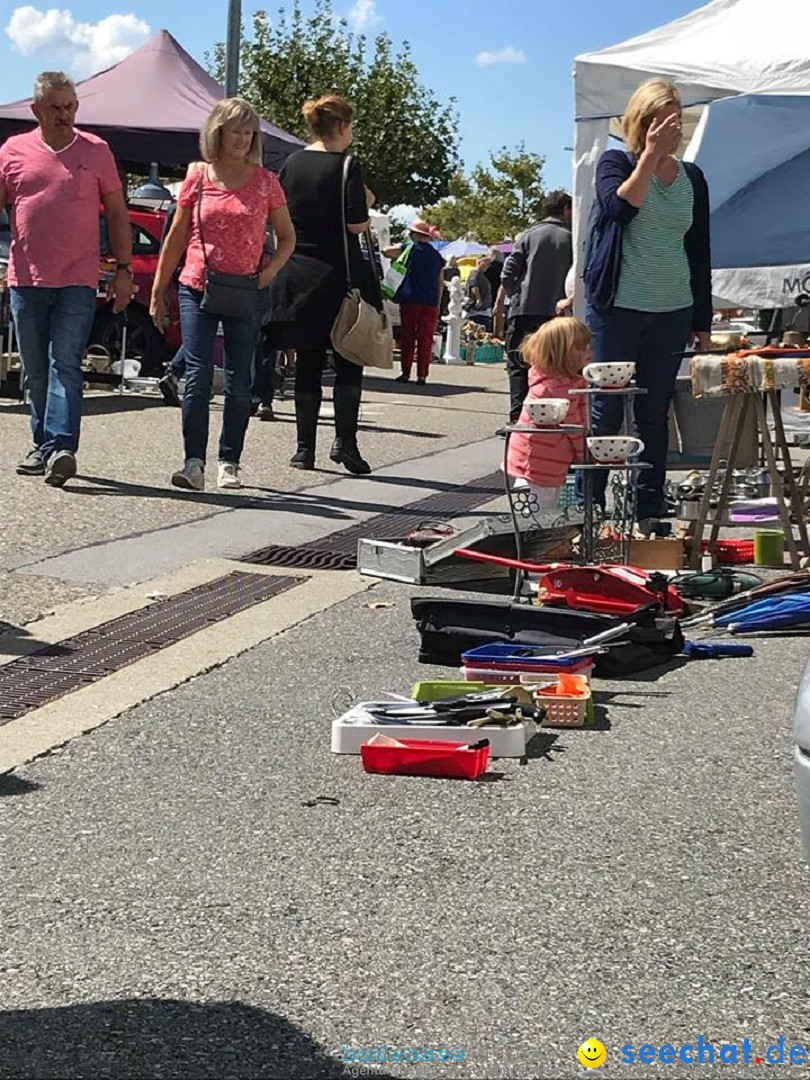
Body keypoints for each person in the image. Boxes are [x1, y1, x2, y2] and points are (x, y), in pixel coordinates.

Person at [584, 78, 712, 526]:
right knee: (606, 407)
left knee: (654, 412)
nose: (670, 126)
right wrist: (651, 157)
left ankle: (647, 505)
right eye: (660, 118)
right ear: (641, 122)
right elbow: (621, 210)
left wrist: (702, 319)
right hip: (618, 306)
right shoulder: (614, 162)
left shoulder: (693, 177)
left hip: (672, 307)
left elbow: (698, 248)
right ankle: (588, 504)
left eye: (675, 117)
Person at [150, 98, 294, 491]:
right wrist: (159, 288)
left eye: (249, 132)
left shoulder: (266, 181)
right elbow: (176, 236)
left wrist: (269, 273)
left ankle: (229, 459)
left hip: (247, 289)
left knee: (239, 380)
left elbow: (287, 238)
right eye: (236, 131)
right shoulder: (198, 178)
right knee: (196, 374)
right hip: (197, 284)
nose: (244, 140)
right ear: (218, 133)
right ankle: (193, 462)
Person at [0, 71, 133, 487]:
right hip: (26, 278)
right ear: (36, 110)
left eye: (70, 106)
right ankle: (42, 445)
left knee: (65, 363)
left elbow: (116, 212)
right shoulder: (12, 151)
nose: (64, 115)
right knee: (35, 370)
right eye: (55, 107)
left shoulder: (96, 151)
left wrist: (124, 269)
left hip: (78, 276)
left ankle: (61, 446)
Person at [265, 94, 378, 474]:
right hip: (338, 274)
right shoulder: (346, 165)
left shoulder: (291, 164)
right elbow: (357, 225)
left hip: (296, 275)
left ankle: (304, 449)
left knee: (309, 361)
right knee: (349, 358)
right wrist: (367, 200)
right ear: (343, 127)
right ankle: (345, 442)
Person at [501, 191, 572, 424]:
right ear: (565, 210)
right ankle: (547, 418)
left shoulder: (528, 235)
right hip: (558, 314)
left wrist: (516, 295)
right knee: (554, 366)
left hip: (524, 310)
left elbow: (508, 273)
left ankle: (517, 419)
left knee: (518, 365)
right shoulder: (574, 237)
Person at [505, 317, 589, 511]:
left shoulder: (561, 381)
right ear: (564, 353)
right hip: (538, 463)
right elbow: (574, 427)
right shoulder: (558, 388)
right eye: (582, 347)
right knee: (537, 515)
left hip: (545, 462)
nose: (589, 351)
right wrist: (585, 455)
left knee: (544, 510)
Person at [383, 220, 445, 385]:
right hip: (430, 302)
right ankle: (422, 375)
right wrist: (438, 304)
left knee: (408, 336)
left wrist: (396, 245)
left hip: (411, 299)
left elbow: (386, 252)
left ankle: (405, 373)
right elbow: (440, 283)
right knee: (425, 338)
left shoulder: (409, 249)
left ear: (416, 235)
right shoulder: (437, 256)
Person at [465, 257, 493, 330]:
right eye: (487, 263)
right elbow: (474, 285)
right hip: (478, 311)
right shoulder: (475, 273)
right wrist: (478, 299)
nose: (488, 266)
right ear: (480, 262)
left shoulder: (480, 274)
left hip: (483, 310)